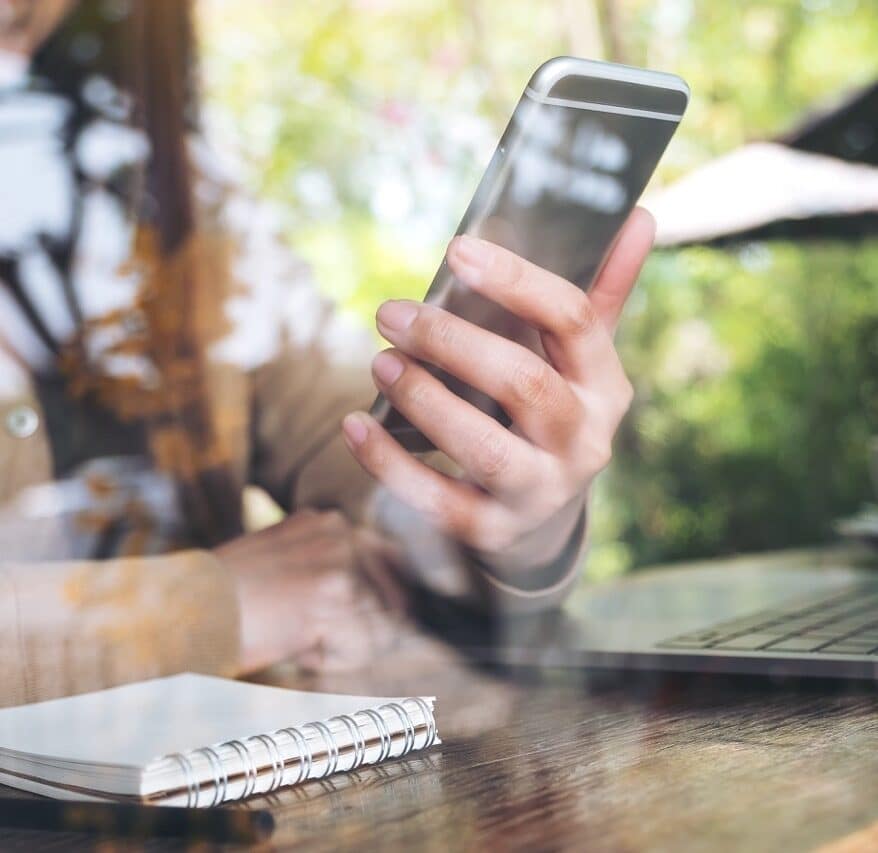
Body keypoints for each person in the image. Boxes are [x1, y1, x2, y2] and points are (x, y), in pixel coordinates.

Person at [0, 0, 653, 706]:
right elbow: (283, 586)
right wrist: (205, 609)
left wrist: (505, 502)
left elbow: (358, 453)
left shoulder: (177, 191)